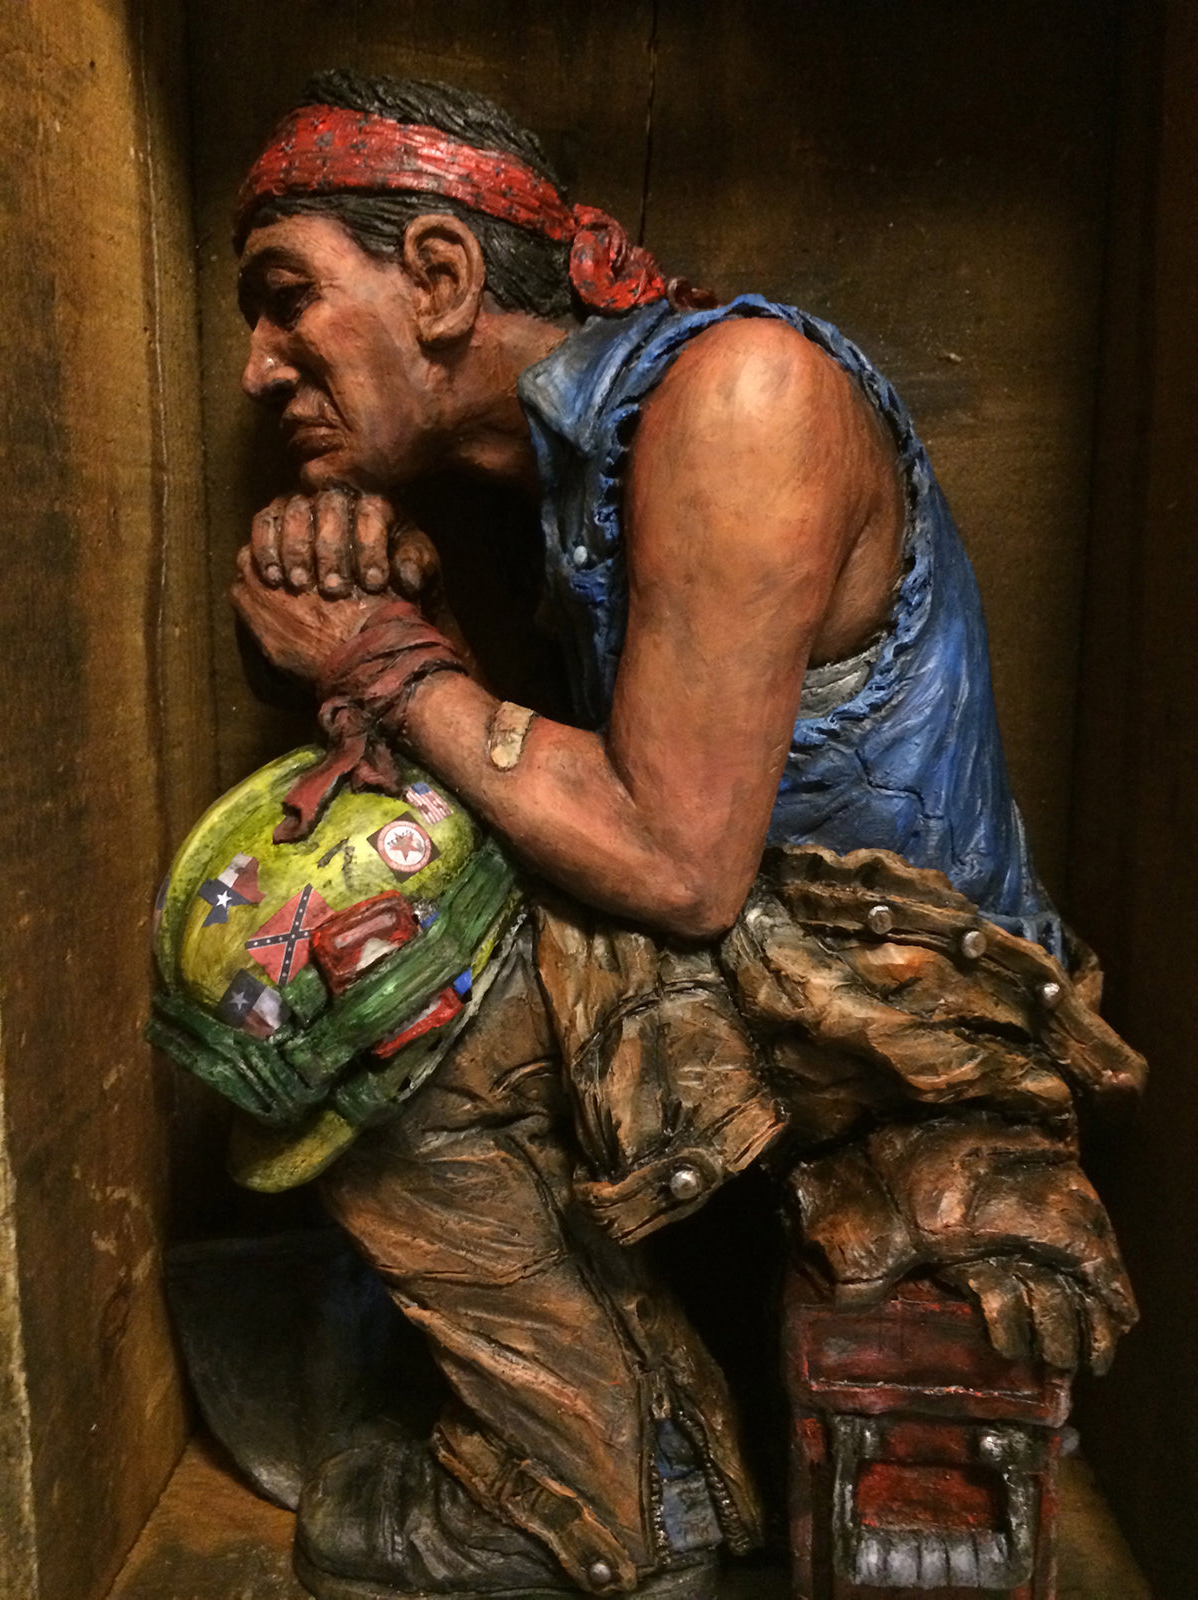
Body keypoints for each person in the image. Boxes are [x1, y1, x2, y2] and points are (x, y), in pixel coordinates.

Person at [221, 70, 1141, 1600]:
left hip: (907, 1000)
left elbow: (678, 861)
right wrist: (381, 600)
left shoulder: (740, 400)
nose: (259, 366)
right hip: (788, 971)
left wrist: (387, 662)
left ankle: (599, 1500)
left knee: (359, 989)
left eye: (286, 296)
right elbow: (569, 781)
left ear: (439, 277)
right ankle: (655, 1466)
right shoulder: (563, 472)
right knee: (358, 930)